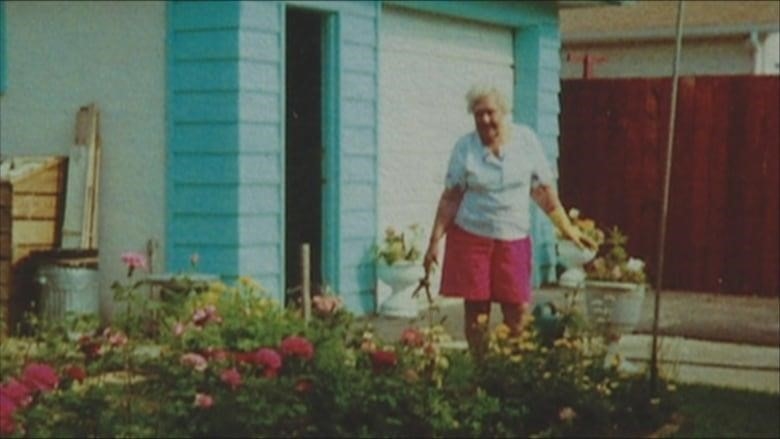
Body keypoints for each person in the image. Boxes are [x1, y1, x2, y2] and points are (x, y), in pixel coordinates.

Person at [423, 84, 597, 357]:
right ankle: (482, 371)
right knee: (476, 313)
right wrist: (434, 241)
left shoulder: (525, 141)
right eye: (478, 114)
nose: (485, 120)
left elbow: (543, 193)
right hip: (472, 238)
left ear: (504, 112)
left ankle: (513, 369)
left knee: (517, 310)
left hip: (513, 238)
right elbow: (450, 198)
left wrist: (567, 229)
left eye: (490, 112)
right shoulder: (464, 147)